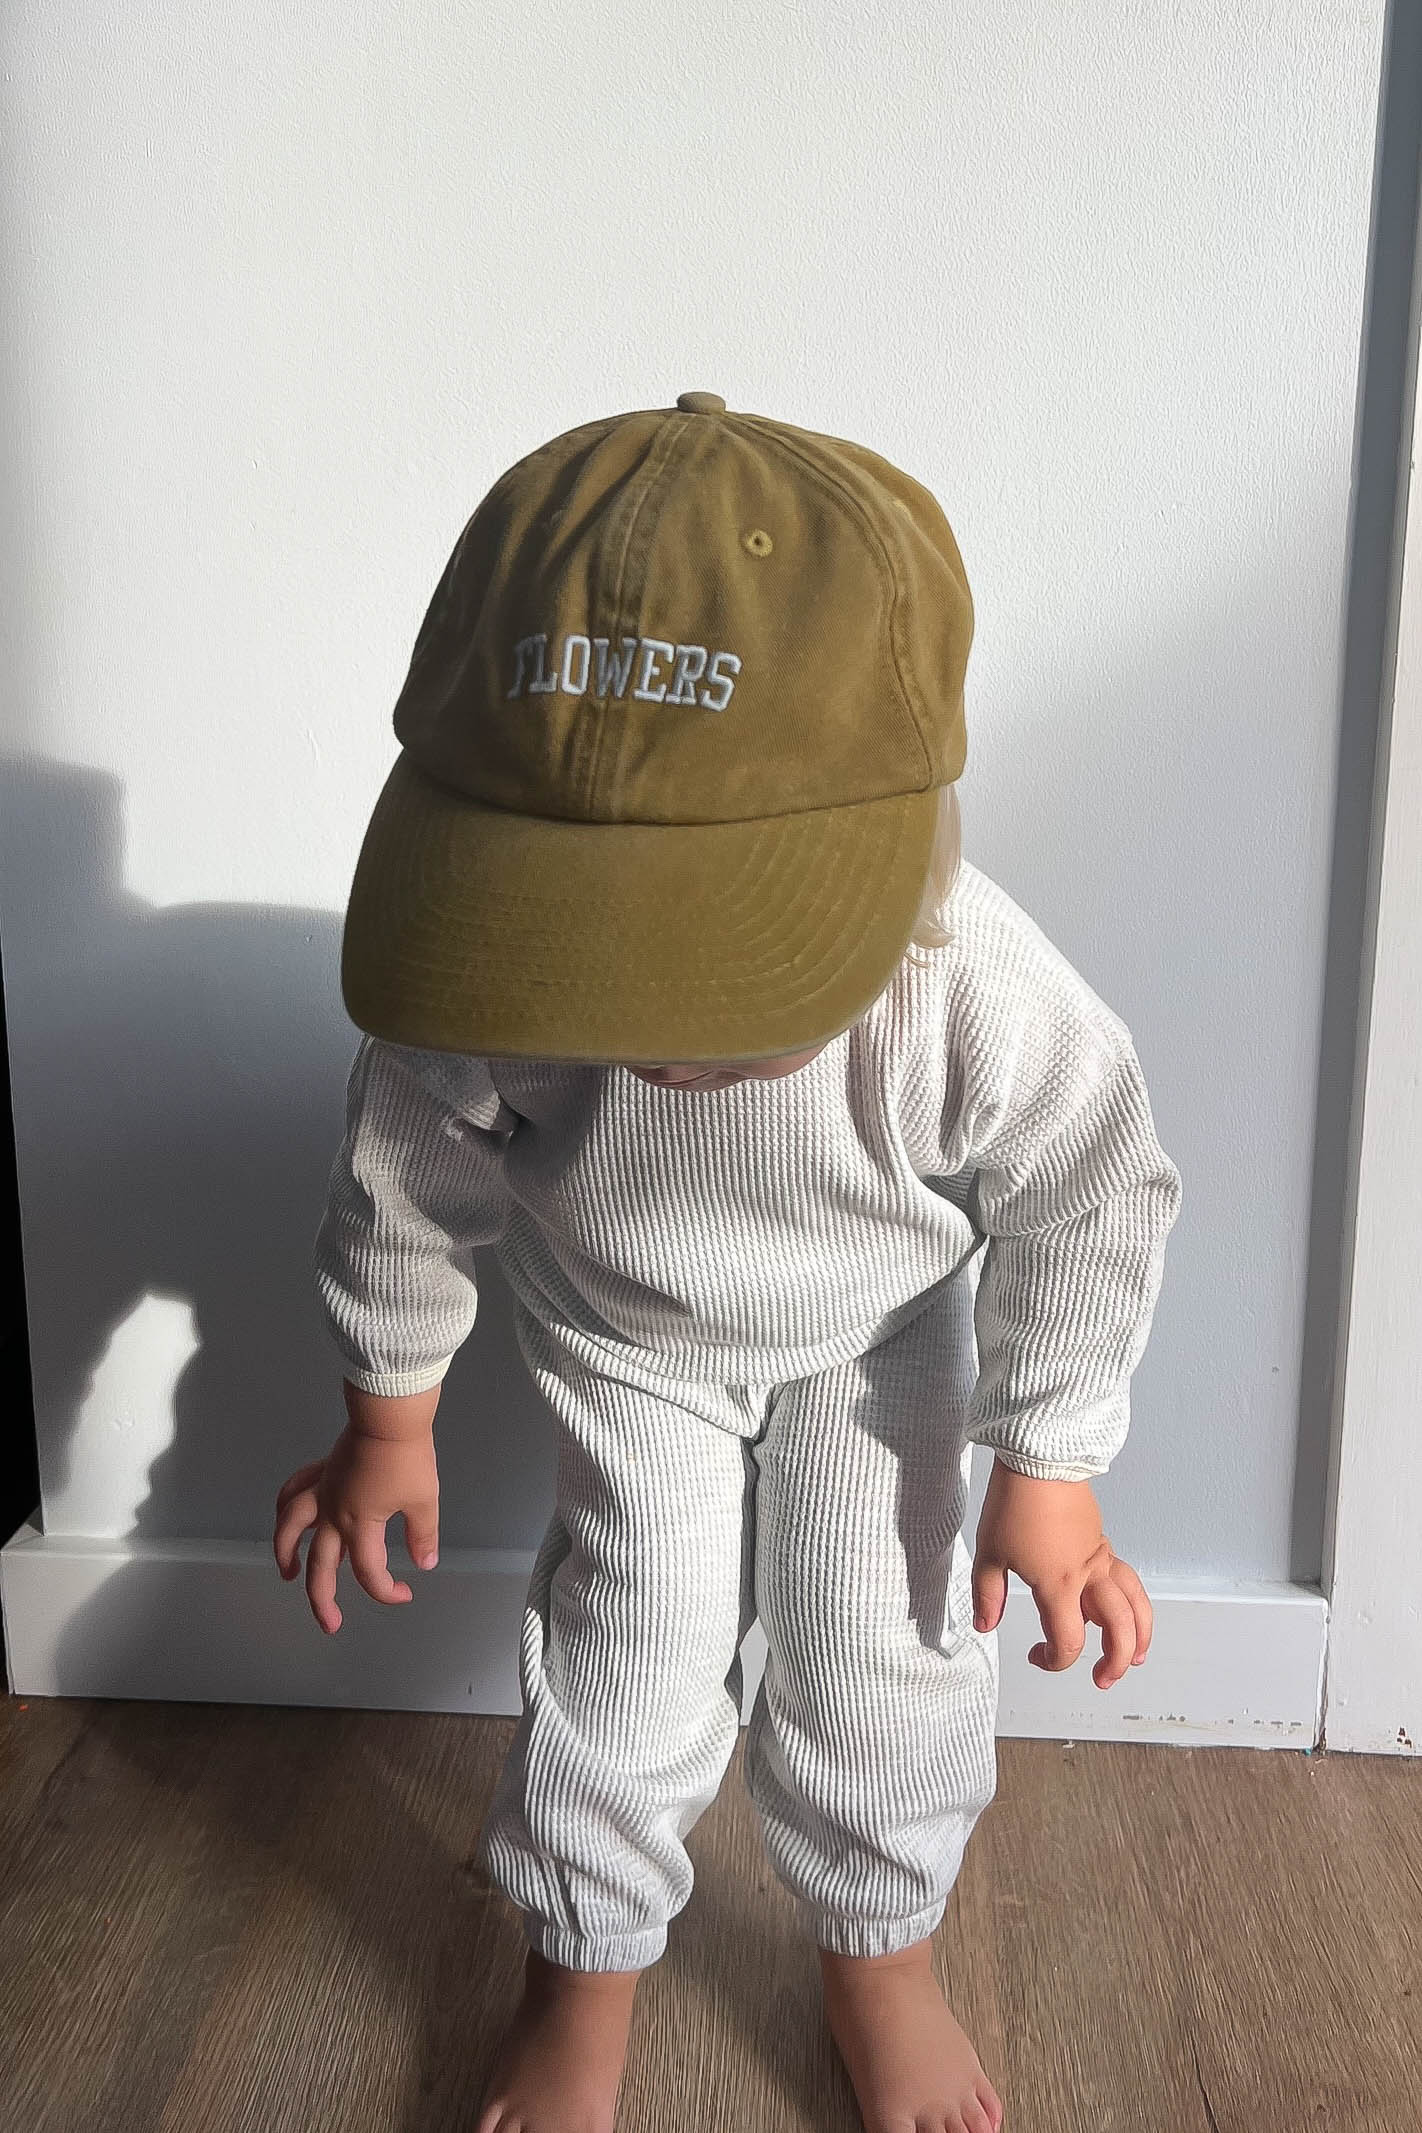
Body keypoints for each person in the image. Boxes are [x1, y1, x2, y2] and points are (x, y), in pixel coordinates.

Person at [273, 391, 1183, 2133]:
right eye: (596, 951)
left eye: (719, 957)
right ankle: (576, 1985)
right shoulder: (487, 993)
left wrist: (1051, 1465)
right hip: (626, 1346)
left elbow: (1092, 1180)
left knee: (887, 1649)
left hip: (881, 1346)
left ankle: (880, 1965)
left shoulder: (963, 981)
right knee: (624, 1651)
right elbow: (402, 1165)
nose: (657, 1035)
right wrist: (385, 1412)